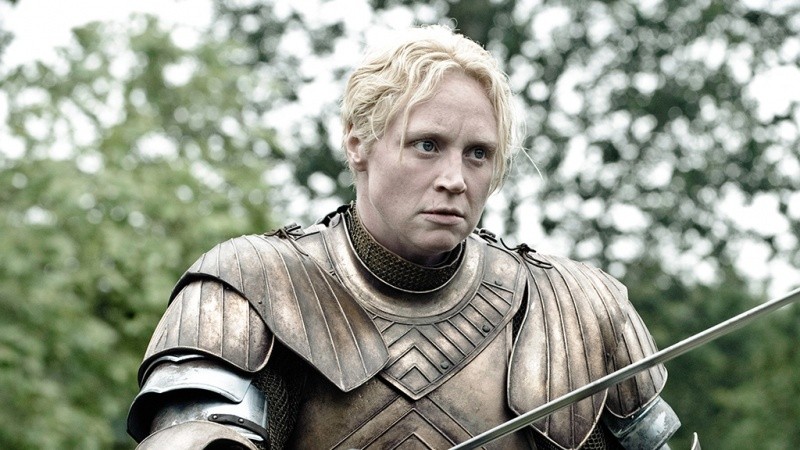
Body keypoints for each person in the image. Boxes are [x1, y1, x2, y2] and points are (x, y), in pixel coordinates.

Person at [127, 25, 685, 449]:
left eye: (478, 153)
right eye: (427, 145)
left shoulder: (577, 308)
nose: (454, 179)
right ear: (358, 143)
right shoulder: (251, 285)